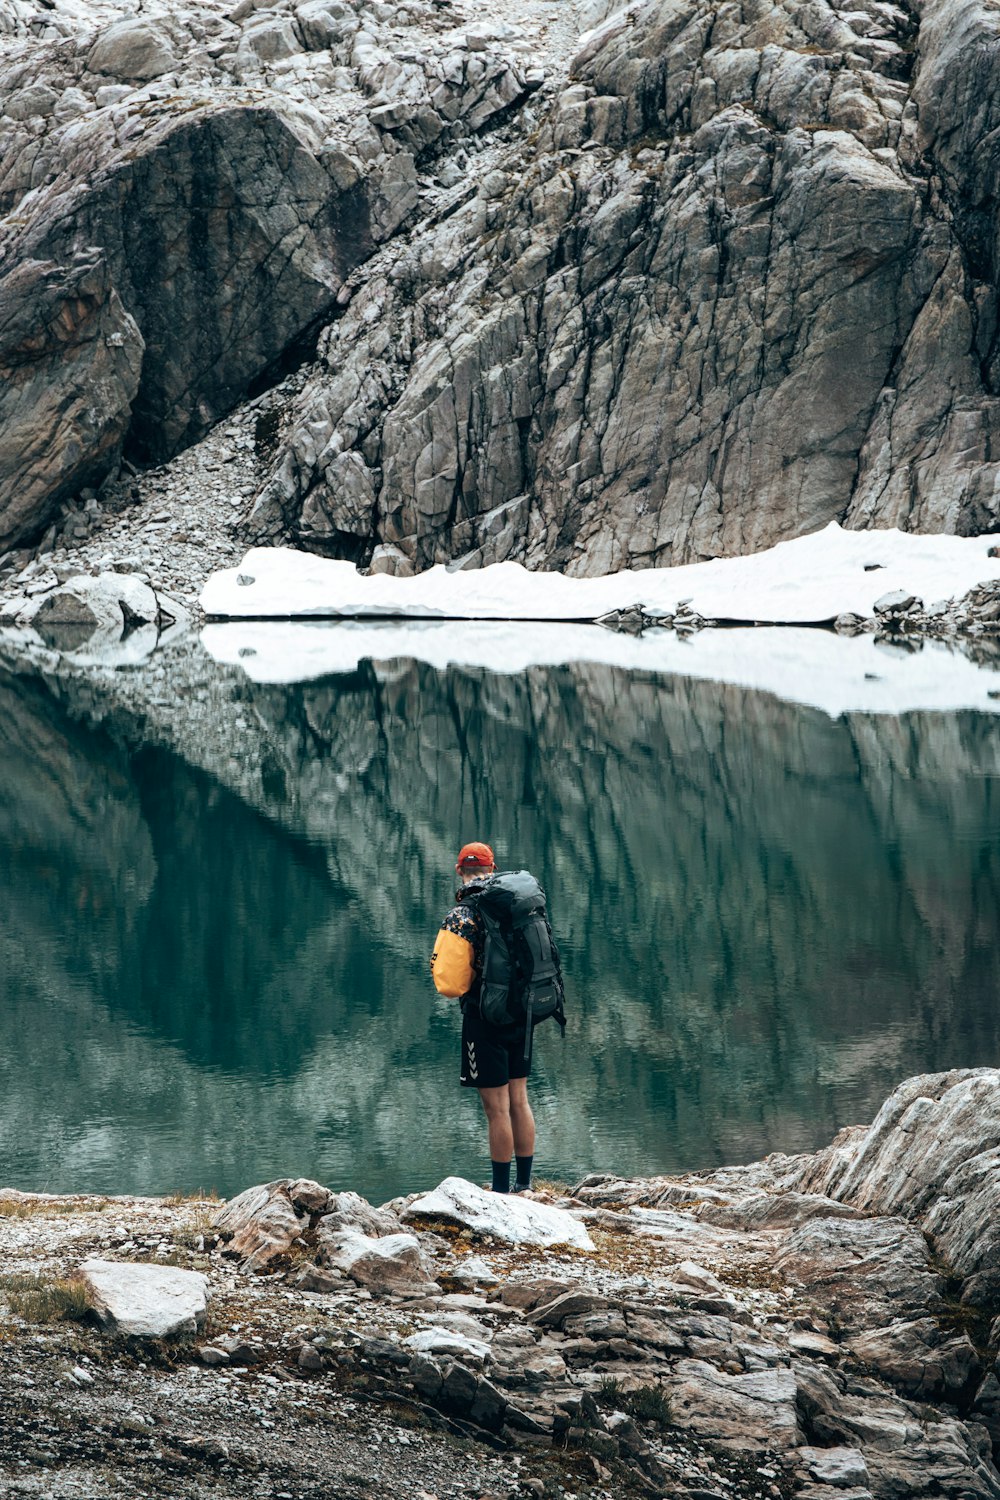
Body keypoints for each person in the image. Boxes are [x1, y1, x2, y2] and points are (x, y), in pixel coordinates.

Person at [430, 841, 537, 1195]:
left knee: (496, 1109)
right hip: (522, 1014)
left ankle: (501, 1191)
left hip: (483, 1017)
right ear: (492, 869)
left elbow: (449, 983)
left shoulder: (461, 915)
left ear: (459, 870)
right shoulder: (517, 906)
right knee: (519, 1099)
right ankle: (524, 1183)